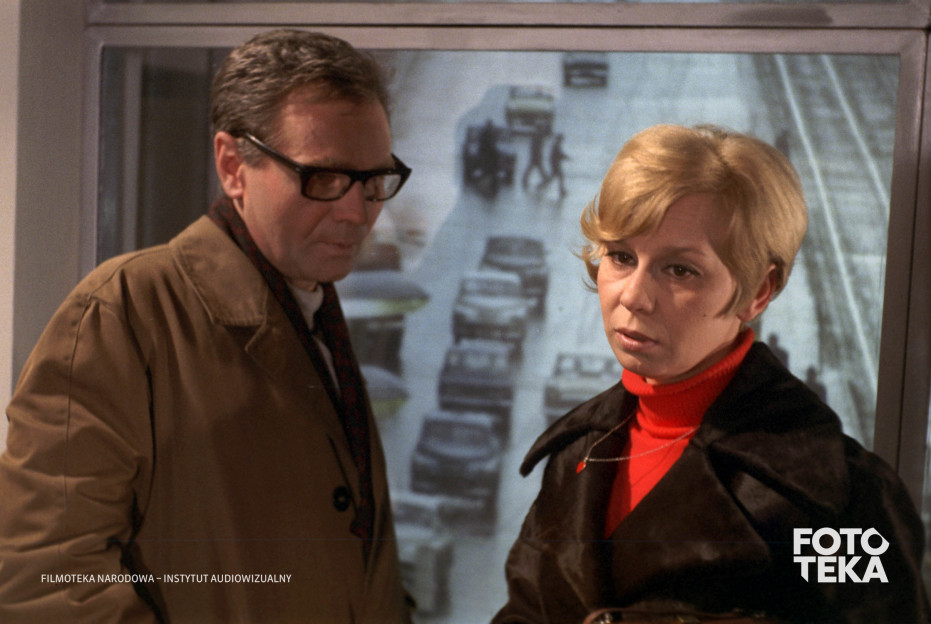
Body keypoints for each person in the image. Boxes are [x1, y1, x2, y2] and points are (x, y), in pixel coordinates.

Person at [0, 29, 414, 623]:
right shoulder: (125, 312)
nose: (357, 212)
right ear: (232, 165)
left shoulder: (312, 310)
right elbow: (45, 575)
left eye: (374, 181)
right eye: (323, 178)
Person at [493, 124, 929, 623]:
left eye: (680, 270)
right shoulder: (578, 453)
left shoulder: (830, 495)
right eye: (621, 257)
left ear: (758, 291)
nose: (632, 296)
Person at [539, 132, 570, 197]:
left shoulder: (556, 145)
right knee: (559, 177)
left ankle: (542, 185)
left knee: (554, 177)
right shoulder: (556, 146)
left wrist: (564, 157)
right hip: (555, 164)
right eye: (561, 139)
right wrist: (565, 157)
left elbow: (558, 154)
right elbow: (558, 154)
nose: (562, 141)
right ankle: (561, 191)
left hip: (554, 163)